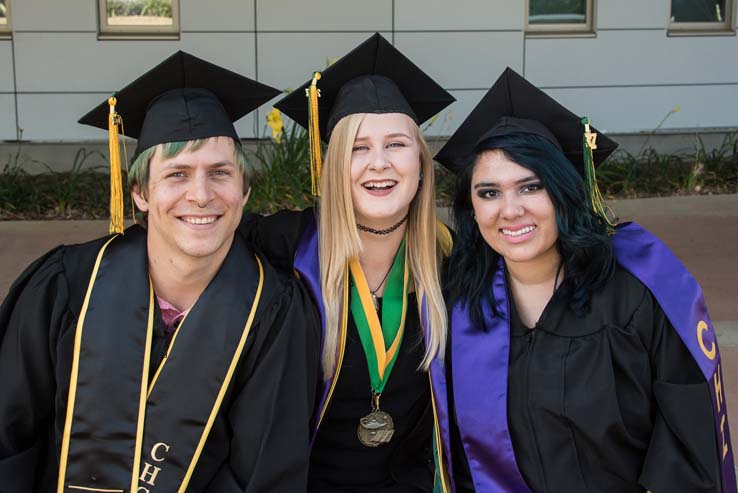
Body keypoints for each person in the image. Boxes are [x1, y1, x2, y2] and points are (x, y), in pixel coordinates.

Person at [0, 51, 320, 493]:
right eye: (177, 174)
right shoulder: (65, 286)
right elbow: (10, 440)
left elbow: (267, 472)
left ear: (245, 191)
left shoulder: (274, 311)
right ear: (140, 193)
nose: (201, 194)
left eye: (220, 173)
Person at [434, 67, 736, 493]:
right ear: (472, 207)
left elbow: (689, 449)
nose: (510, 209)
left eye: (530, 187)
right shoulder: (461, 301)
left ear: (563, 191)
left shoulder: (636, 294)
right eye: (489, 192)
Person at [239, 33, 455, 492]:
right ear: (334, 164)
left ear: (421, 163)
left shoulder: (453, 262)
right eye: (358, 147)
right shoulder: (283, 250)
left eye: (396, 144)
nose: (379, 163)